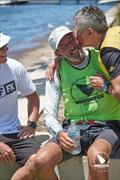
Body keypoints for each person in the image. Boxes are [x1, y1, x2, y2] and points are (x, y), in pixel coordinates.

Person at [34, 26, 120, 180]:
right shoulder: (56, 71)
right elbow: (49, 113)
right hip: (73, 129)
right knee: (41, 161)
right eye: (64, 46)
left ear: (77, 37)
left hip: (108, 125)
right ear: (58, 53)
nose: (72, 46)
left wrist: (106, 85)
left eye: (71, 39)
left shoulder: (102, 58)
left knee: (98, 159)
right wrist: (60, 133)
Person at [46, 5, 120, 100]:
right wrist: (57, 59)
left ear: (90, 32)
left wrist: (104, 86)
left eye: (78, 32)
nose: (76, 37)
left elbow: (118, 92)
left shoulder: (108, 52)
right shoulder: (115, 31)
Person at [0, 32, 40, 180]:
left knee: (40, 160)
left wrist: (32, 124)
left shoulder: (14, 66)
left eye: (5, 46)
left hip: (15, 133)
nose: (6, 50)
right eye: (1, 48)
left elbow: (33, 97)